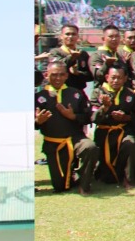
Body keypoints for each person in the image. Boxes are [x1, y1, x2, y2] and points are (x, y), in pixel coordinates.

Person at [35, 57, 97, 194]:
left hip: (75, 138)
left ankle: (84, 183)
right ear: (46, 75)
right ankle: (72, 175)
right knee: (60, 186)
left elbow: (88, 117)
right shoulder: (38, 96)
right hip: (53, 143)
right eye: (54, 75)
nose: (58, 78)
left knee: (90, 147)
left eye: (61, 74)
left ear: (67, 75)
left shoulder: (76, 93)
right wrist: (37, 122)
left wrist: (73, 116)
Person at [91, 66, 135, 190]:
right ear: (107, 77)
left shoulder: (131, 94)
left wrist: (126, 118)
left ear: (125, 79)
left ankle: (128, 179)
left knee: (131, 144)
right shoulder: (97, 92)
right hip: (104, 132)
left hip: (123, 130)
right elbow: (93, 118)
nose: (116, 81)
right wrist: (105, 108)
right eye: (113, 77)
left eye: (119, 78)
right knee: (107, 178)